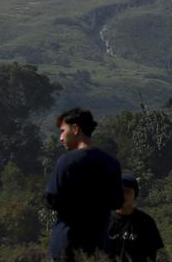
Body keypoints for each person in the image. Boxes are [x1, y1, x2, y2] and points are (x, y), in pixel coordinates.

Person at [46, 108, 124, 261]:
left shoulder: (66, 162)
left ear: (75, 129)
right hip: (98, 245)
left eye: (63, 131)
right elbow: (117, 201)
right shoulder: (111, 163)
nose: (61, 138)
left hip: (66, 244)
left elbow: (51, 199)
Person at [107, 174, 165, 262]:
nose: (123, 195)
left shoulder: (146, 222)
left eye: (127, 191)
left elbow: (158, 253)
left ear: (135, 194)